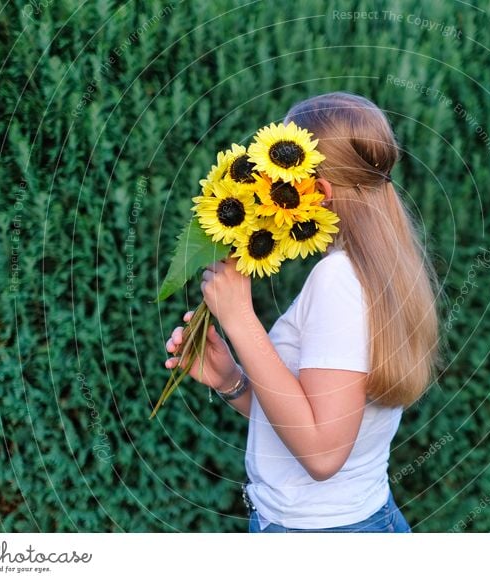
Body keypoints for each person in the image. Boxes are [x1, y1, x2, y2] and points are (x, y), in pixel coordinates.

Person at [164, 92, 439, 533]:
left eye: (284, 178)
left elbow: (323, 454)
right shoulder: (382, 269)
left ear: (320, 192)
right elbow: (309, 419)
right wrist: (230, 379)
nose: (273, 186)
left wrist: (240, 320)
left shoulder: (339, 281)